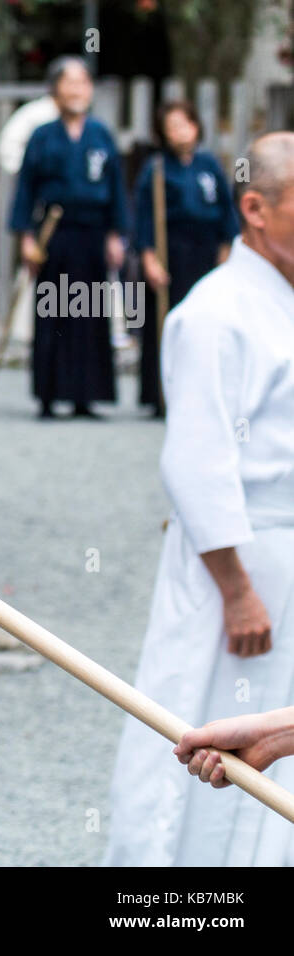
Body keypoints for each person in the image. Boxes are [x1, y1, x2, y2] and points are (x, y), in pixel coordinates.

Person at [102, 132, 294, 867]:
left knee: (278, 737)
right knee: (204, 729)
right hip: (238, 562)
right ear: (256, 209)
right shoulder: (216, 312)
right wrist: (237, 589)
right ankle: (171, 887)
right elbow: (196, 462)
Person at [10, 55, 128, 420]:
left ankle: (85, 396)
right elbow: (25, 190)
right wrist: (25, 238)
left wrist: (116, 234)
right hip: (53, 233)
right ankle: (48, 395)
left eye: (83, 83)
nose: (77, 89)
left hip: (92, 232)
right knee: (52, 310)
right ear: (55, 90)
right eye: (69, 82)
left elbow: (117, 189)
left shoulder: (101, 135)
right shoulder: (42, 137)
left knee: (90, 312)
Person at [132, 101, 240, 417]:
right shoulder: (156, 167)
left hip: (206, 251)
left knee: (207, 322)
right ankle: (162, 394)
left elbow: (226, 211)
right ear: (163, 133)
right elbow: (144, 216)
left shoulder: (209, 164)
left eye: (185, 124)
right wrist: (150, 258)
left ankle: (205, 392)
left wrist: (225, 251)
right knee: (171, 321)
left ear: (196, 126)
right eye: (172, 126)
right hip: (172, 252)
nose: (180, 131)